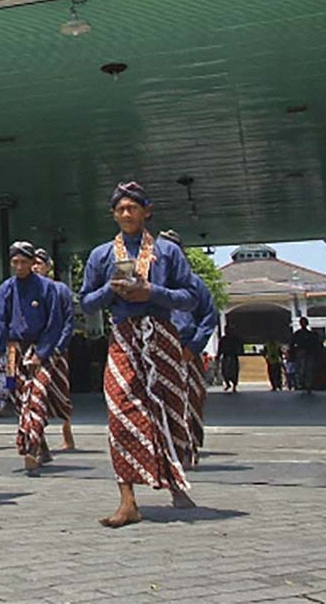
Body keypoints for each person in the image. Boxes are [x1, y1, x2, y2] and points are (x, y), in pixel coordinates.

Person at [80, 181, 200, 528]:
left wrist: (152, 290)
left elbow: (191, 297)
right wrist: (110, 290)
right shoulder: (102, 255)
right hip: (123, 334)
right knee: (120, 410)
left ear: (147, 211)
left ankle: (176, 483)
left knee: (167, 408)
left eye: (133, 208)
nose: (126, 214)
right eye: (120, 209)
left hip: (161, 334)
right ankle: (127, 500)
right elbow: (86, 301)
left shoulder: (168, 251)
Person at [0, 242, 63, 473]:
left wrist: (43, 353)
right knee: (21, 399)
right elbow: (0, 319)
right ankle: (39, 442)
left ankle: (31, 449)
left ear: (33, 263)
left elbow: (55, 323)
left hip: (39, 348)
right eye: (15, 262)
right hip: (13, 351)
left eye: (24, 262)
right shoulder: (7, 288)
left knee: (37, 397)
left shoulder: (46, 288)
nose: (19, 266)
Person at [157, 230, 218, 468]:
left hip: (186, 351)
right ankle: (166, 452)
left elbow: (209, 317)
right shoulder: (151, 284)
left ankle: (188, 448)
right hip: (158, 351)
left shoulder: (194, 283)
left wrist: (193, 347)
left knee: (190, 402)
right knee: (160, 401)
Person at [32, 248, 77, 451]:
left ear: (48, 267)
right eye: (33, 262)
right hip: (32, 350)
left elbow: (68, 321)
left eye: (39, 263)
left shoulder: (60, 289)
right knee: (35, 395)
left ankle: (68, 434)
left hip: (57, 350)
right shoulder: (26, 288)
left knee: (61, 393)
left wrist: (58, 347)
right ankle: (39, 440)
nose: (35, 266)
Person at [291, 316, 319, 394]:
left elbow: (292, 344)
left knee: (303, 369)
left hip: (304, 352)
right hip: (305, 353)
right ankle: (306, 384)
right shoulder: (310, 334)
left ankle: (305, 383)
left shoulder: (298, 334)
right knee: (306, 369)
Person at [218, 327, 244, 393]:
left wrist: (240, 352)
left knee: (234, 372)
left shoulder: (235, 339)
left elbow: (240, 345)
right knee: (224, 371)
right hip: (226, 356)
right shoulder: (223, 339)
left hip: (233, 356)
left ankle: (234, 386)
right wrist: (218, 355)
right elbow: (220, 348)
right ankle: (228, 384)